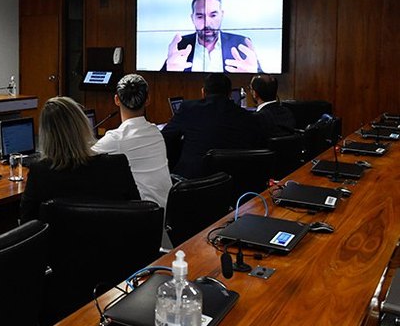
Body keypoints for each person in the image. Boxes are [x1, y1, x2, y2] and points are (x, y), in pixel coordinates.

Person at [20, 96, 140, 222]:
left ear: (45, 135)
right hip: (111, 239)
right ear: (83, 125)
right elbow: (138, 212)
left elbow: (26, 225)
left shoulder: (40, 172)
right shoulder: (117, 165)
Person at [161, 73, 264, 179]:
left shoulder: (189, 109)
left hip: (192, 184)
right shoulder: (247, 117)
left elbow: (164, 138)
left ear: (203, 92)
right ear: (229, 94)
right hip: (234, 184)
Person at [92, 74, 172, 208]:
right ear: (148, 100)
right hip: (166, 213)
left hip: (143, 216)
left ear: (117, 100)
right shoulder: (156, 132)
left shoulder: (116, 139)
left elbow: (80, 158)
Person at [162, 0, 262, 73]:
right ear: (193, 18)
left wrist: (253, 73)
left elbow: (265, 83)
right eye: (200, 16)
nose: (207, 23)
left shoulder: (240, 43)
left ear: (222, 15)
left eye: (213, 15)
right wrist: (169, 71)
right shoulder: (180, 45)